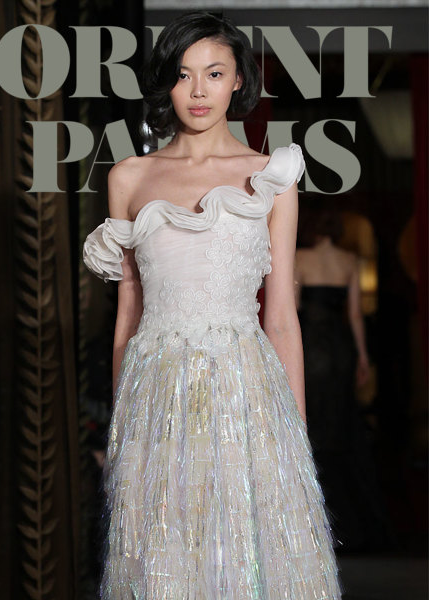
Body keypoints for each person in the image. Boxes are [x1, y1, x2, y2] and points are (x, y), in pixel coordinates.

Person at [83, 12, 343, 599]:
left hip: (245, 391)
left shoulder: (270, 176)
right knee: (165, 557)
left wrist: (296, 436)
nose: (198, 91)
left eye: (214, 73)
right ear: (167, 83)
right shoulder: (129, 177)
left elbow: (281, 316)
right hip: (156, 392)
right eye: (183, 74)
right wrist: (124, 428)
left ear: (238, 81)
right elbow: (128, 313)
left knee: (248, 559)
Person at [295, 199, 390, 552]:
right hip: (341, 349)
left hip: (312, 348)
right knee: (340, 426)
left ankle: (320, 520)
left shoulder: (299, 258)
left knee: (314, 425)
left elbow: (291, 311)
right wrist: (363, 356)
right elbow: (355, 315)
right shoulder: (350, 261)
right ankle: (355, 525)